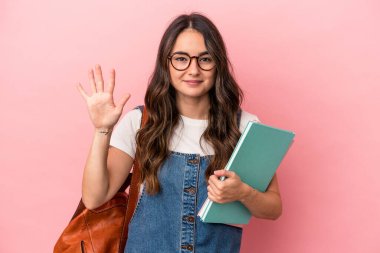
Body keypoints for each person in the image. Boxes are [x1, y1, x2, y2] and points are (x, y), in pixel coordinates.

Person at [77, 12, 282, 253]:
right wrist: (102, 129)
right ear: (166, 63)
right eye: (182, 59)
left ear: (218, 64)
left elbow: (274, 208)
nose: (193, 70)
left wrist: (244, 193)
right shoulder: (139, 123)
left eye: (205, 59)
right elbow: (94, 198)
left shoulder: (245, 127)